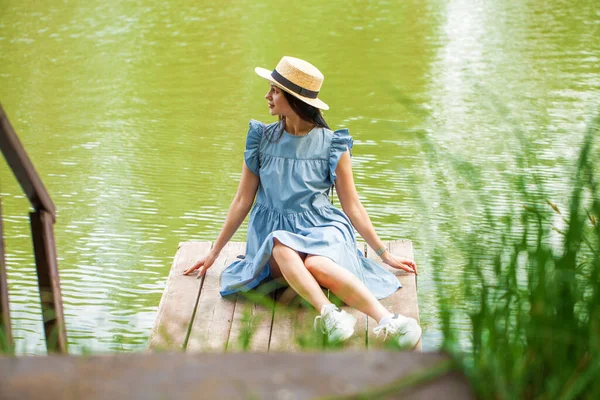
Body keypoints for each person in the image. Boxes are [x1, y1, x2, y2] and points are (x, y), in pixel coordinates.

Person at [183, 56, 422, 348]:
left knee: (319, 264)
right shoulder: (261, 138)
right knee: (280, 244)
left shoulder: (333, 144)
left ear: (294, 99)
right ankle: (330, 314)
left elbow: (353, 206)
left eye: (274, 90)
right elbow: (243, 199)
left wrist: (384, 253)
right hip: (273, 233)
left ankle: (388, 320)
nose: (267, 96)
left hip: (322, 227)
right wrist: (214, 252)